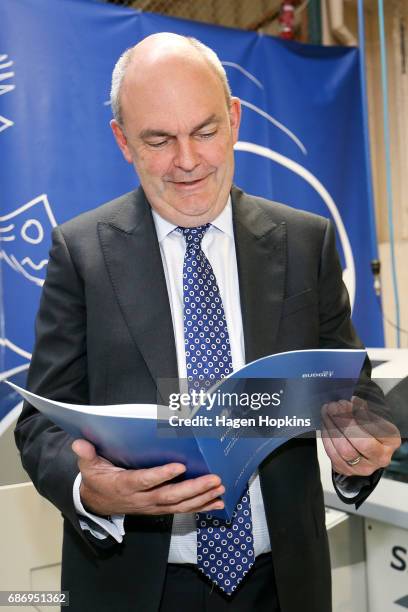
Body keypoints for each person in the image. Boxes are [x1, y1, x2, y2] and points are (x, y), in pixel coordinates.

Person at [15, 33, 400, 612]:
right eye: (159, 140)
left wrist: (359, 447)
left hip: (283, 585)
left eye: (205, 131)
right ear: (123, 141)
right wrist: (88, 488)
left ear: (235, 119)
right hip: (135, 588)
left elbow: (349, 389)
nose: (188, 161)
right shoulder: (82, 252)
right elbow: (40, 423)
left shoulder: (304, 241)